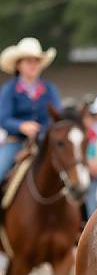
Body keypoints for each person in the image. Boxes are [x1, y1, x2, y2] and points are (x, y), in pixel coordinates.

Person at [0, 38, 61, 184]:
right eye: (28, 61)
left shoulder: (50, 89)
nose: (33, 65)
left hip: (45, 143)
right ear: (18, 65)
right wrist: (21, 126)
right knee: (0, 171)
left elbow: (57, 117)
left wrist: (43, 130)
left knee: (72, 174)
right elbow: (3, 118)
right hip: (16, 142)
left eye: (36, 61)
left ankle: (83, 207)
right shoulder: (9, 90)